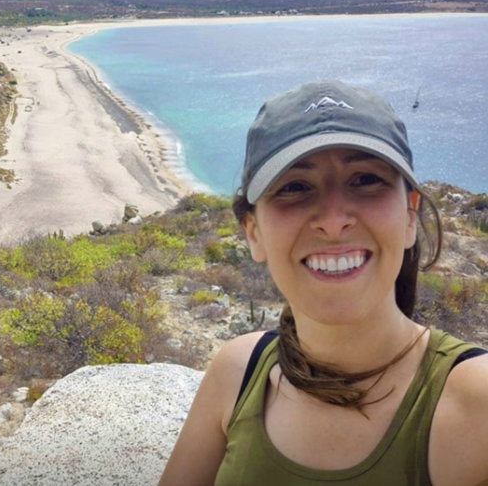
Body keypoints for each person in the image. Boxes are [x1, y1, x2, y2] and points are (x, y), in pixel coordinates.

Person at [159, 81, 488, 485]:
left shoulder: (476, 402)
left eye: (366, 179)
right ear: (253, 232)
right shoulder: (237, 373)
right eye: (295, 187)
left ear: (409, 217)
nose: (333, 221)